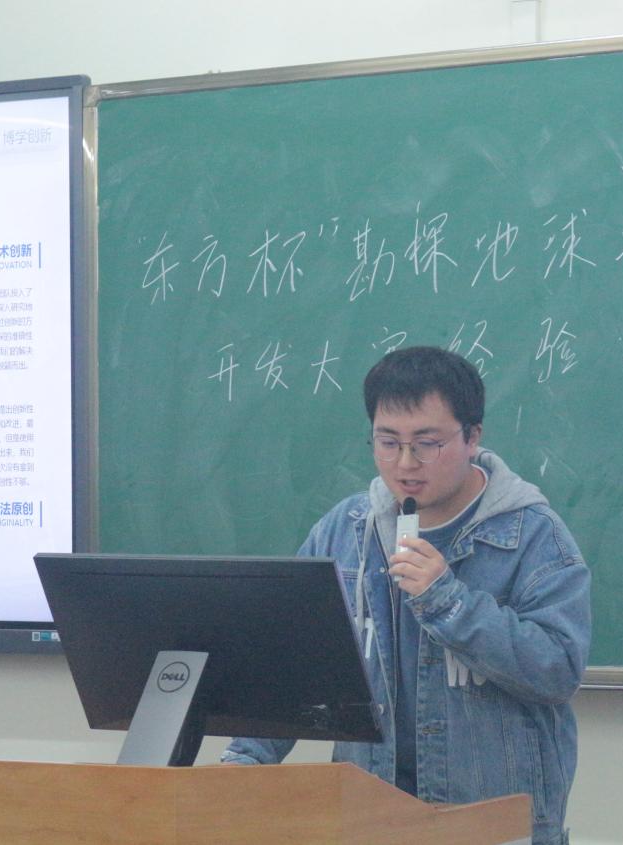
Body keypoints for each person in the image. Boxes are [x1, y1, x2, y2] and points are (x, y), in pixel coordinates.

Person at [222, 346, 591, 845]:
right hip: (369, 820)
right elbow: (292, 663)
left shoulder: (533, 535)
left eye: (427, 444)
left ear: (472, 437)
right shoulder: (344, 531)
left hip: (493, 825)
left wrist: (448, 601)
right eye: (388, 442)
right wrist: (244, 760)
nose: (405, 463)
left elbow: (558, 671)